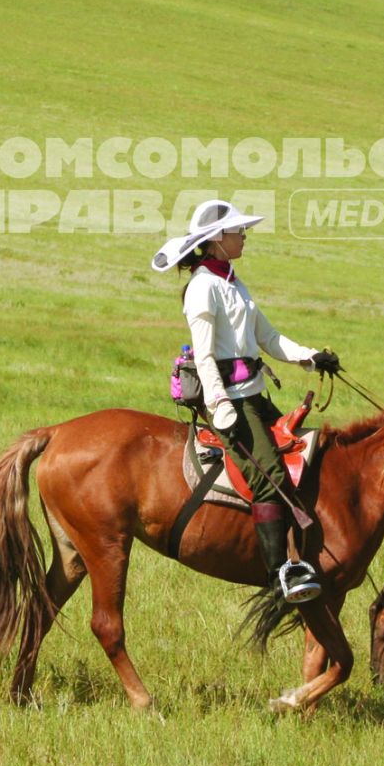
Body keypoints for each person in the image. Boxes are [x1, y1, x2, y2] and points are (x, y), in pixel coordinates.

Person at [152, 199, 342, 604]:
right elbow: (204, 356)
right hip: (229, 399)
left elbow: (268, 339)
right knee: (268, 475)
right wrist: (220, 406)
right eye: (239, 231)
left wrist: (312, 356)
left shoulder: (234, 281)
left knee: (301, 460)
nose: (244, 236)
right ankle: (280, 575)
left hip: (255, 394)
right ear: (218, 239)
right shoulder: (203, 287)